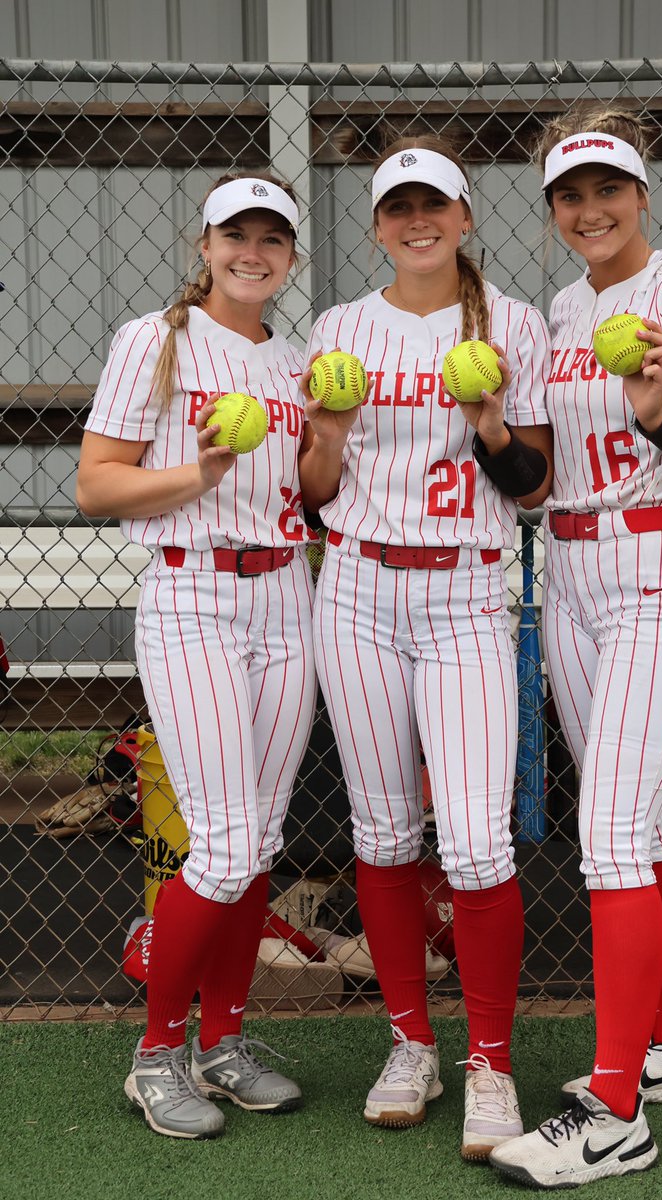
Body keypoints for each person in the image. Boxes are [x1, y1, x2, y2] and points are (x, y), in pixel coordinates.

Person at [489, 109, 662, 1189]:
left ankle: (613, 1111)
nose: (588, 209)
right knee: (639, 827)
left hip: (657, 569)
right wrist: (491, 432)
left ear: (640, 193)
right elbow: (545, 470)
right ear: (552, 208)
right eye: (568, 194)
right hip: (572, 571)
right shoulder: (565, 307)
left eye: (607, 187)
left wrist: (656, 413)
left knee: (604, 830)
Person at [76, 174, 351, 1139]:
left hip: (287, 594)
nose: (254, 251)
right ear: (204, 244)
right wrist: (203, 470)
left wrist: (332, 436)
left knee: (260, 845)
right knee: (226, 844)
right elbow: (96, 486)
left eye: (273, 238)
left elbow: (316, 495)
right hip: (192, 593)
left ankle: (224, 1043)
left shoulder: (297, 356)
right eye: (237, 233)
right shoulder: (156, 342)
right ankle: (155, 1055)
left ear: (290, 257)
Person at [304, 136, 553, 1161]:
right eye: (398, 207)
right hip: (355, 586)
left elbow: (533, 487)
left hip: (459, 592)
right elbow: (315, 491)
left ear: (463, 218)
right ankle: (408, 1042)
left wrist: (491, 426)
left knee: (478, 842)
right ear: (376, 225)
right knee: (381, 833)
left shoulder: (513, 325)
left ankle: (487, 1060)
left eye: (434, 206)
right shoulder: (338, 328)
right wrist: (324, 427)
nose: (417, 222)